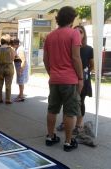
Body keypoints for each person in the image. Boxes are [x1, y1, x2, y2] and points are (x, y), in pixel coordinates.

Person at [43, 6, 83, 152]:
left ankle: (50, 136)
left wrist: (51, 73)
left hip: (54, 79)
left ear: (58, 18)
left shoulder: (50, 36)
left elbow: (45, 59)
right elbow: (76, 57)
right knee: (70, 111)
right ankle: (68, 141)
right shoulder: (74, 33)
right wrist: (80, 77)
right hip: (70, 79)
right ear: (72, 19)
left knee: (52, 109)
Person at [57, 25, 94, 135]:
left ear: (84, 35)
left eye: (81, 31)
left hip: (83, 79)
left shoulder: (88, 49)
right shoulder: (68, 47)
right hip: (69, 78)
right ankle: (65, 123)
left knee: (80, 101)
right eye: (75, 31)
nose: (78, 33)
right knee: (66, 101)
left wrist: (84, 73)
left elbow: (92, 65)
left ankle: (78, 125)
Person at [0, 34, 16, 104]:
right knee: (8, 84)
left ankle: (0, 98)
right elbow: (13, 58)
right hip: (9, 67)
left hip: (0, 68)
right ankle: (8, 99)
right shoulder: (11, 49)